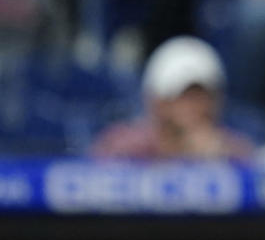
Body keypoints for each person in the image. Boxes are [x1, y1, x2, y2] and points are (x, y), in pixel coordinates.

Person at [90, 35, 253, 160]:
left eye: (201, 95)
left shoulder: (233, 151)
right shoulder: (123, 146)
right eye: (182, 96)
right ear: (156, 100)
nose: (194, 106)